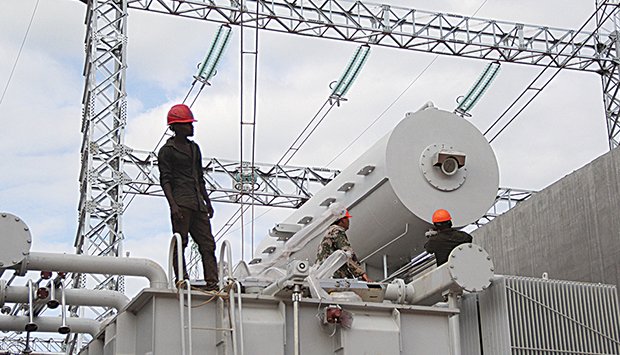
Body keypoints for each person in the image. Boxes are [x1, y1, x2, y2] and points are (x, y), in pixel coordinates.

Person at [157, 104, 218, 291]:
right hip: (181, 203)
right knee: (180, 242)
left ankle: (213, 282)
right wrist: (173, 205)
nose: (192, 127)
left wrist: (207, 201)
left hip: (197, 203)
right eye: (187, 124)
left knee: (207, 243)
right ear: (176, 127)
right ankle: (182, 280)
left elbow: (199, 178)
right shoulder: (167, 151)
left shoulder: (194, 149)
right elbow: (165, 180)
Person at [316, 204, 371, 281]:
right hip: (333, 275)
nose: (348, 221)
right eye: (347, 218)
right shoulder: (337, 231)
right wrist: (361, 273)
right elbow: (347, 253)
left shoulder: (329, 231)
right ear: (342, 220)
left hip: (323, 275)